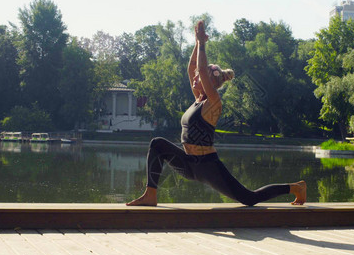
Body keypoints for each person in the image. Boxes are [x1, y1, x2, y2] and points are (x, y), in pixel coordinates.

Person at [126, 21, 306, 207]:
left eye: (200, 77)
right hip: (188, 163)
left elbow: (201, 70)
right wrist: (197, 42)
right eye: (196, 76)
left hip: (207, 165)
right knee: (157, 145)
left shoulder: (213, 102)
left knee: (249, 198)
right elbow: (192, 68)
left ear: (210, 82)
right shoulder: (198, 98)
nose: (195, 77)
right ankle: (150, 194)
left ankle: (295, 188)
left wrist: (203, 44)